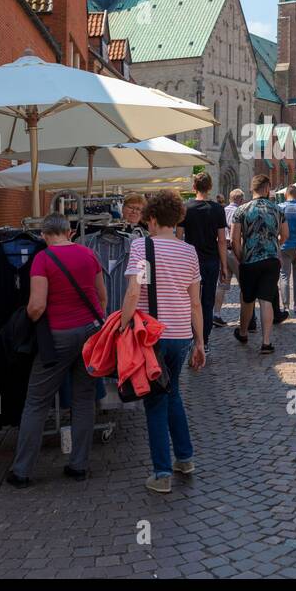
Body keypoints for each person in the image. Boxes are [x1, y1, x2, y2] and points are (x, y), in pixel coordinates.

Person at [5, 213, 106, 488]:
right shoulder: (89, 254)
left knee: (36, 402)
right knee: (84, 399)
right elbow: (102, 297)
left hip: (59, 335)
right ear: (70, 231)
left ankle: (22, 470)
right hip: (91, 332)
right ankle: (79, 465)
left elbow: (37, 306)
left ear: (43, 234)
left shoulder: (43, 259)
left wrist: (24, 322)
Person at [121, 191, 206, 494]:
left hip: (151, 337)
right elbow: (195, 303)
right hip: (182, 334)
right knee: (172, 394)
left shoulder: (141, 246)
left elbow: (133, 292)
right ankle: (185, 458)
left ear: (152, 218)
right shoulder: (189, 251)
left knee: (155, 401)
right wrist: (199, 343)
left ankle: (161, 473)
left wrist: (121, 326)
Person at [232, 174, 287, 353]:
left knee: (248, 299)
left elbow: (234, 240)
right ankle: (266, 342)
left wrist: (241, 258)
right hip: (271, 259)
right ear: (267, 188)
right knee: (266, 300)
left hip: (250, 259)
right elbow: (285, 234)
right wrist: (275, 245)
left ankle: (243, 332)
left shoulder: (241, 210)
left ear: (252, 188)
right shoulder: (277, 209)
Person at [180, 171, 229, 346]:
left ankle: (190, 338)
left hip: (189, 261)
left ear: (194, 187)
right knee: (207, 302)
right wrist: (224, 266)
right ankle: (204, 342)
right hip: (211, 261)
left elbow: (179, 238)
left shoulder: (185, 208)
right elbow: (222, 240)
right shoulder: (217, 209)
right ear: (210, 188)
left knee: (189, 301)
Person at [278, 186, 296, 315]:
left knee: (284, 275)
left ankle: (285, 306)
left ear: (286, 195)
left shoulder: (280, 207)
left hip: (284, 245)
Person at [222, 188, 245, 325]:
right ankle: (244, 316)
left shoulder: (222, 211)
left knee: (222, 285)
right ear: (240, 199)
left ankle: (217, 314)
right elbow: (238, 235)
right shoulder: (240, 211)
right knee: (244, 284)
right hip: (235, 250)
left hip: (223, 249)